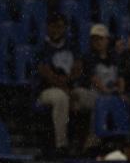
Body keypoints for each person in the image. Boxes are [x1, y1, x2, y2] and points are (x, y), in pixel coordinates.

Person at [35, 13, 94, 154]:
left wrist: (70, 89)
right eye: (54, 26)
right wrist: (67, 90)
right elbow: (47, 74)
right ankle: (61, 145)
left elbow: (78, 68)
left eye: (60, 27)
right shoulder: (42, 47)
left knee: (94, 99)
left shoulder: (72, 46)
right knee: (61, 98)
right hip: (46, 91)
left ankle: (91, 143)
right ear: (48, 27)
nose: (57, 30)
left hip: (70, 89)